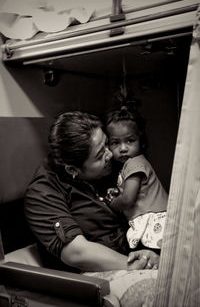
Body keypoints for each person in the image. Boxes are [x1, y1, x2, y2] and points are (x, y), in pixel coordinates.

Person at [24, 111, 159, 273]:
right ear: (72, 169)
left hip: (135, 249)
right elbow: (77, 253)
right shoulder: (42, 193)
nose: (110, 154)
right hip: (101, 274)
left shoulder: (109, 167)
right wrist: (139, 265)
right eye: (100, 154)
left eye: (107, 144)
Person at [105, 106, 168, 250]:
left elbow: (127, 200)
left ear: (141, 141)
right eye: (115, 143)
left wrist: (112, 203)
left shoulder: (135, 163)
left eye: (130, 141)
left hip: (154, 220)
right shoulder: (132, 164)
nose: (123, 148)